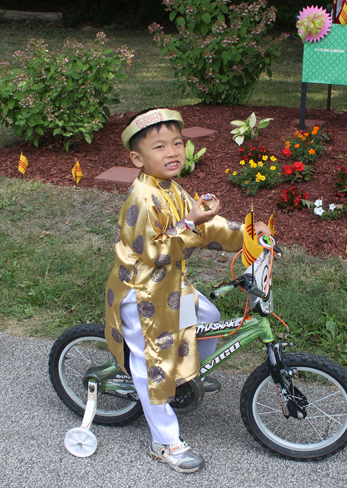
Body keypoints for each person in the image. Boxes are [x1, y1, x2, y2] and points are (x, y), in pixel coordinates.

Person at [104, 108, 270, 473]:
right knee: (154, 366)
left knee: (209, 317)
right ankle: (165, 442)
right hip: (143, 294)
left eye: (177, 143)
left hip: (171, 288)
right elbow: (156, 251)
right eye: (159, 146)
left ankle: (190, 375)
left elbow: (205, 229)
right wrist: (191, 221)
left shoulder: (171, 188)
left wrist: (248, 238)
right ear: (137, 158)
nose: (172, 152)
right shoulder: (141, 197)